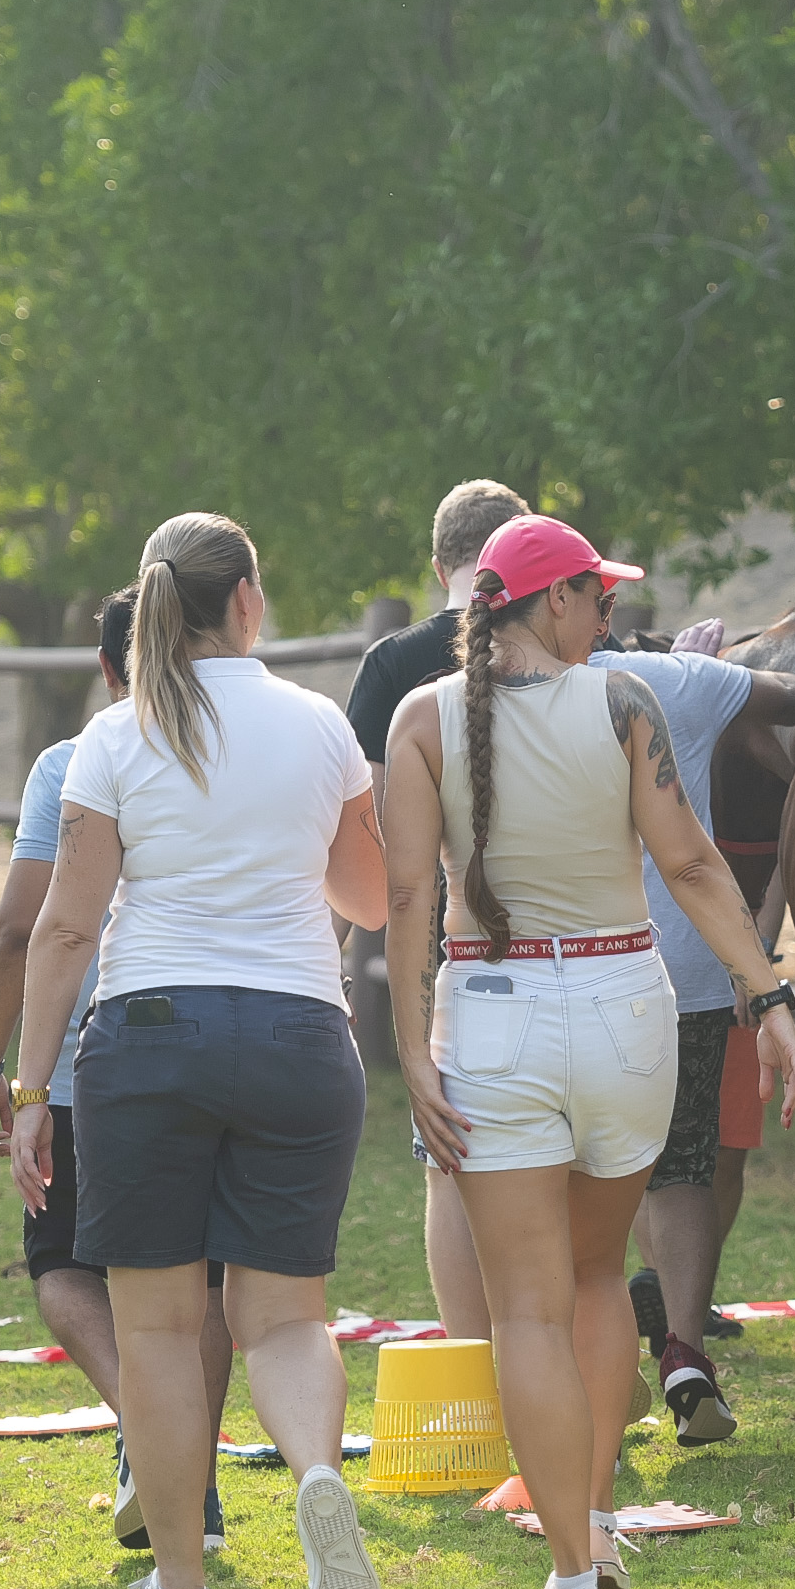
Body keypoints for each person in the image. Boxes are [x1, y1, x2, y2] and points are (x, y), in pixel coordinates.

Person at [380, 515, 795, 1589]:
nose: (607, 613)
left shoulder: (419, 717)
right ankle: (602, 1521)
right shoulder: (624, 705)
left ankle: (570, 1576)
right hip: (625, 1008)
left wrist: (407, 1045)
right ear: (548, 602)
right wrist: (765, 992)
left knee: (526, 1306)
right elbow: (693, 862)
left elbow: (407, 902)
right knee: (595, 1276)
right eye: (595, 594)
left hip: (494, 1013)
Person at [7, 513, 389, 1589]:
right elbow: (368, 897)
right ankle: (317, 1470)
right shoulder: (320, 724)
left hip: (149, 1035)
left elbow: (65, 929)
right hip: (298, 1033)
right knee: (281, 1315)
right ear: (248, 599)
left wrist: (32, 1091)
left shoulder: (112, 736)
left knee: (163, 1331)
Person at [0, 593, 235, 1558]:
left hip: (98, 1058)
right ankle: (187, 1475)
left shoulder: (75, 760)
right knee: (204, 1284)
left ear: (106, 666)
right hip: (240, 1041)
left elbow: (23, 930)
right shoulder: (258, 740)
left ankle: (151, 1438)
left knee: (63, 1265)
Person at [590, 599, 795, 1445]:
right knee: (682, 1168)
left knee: (579, 1173)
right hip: (681, 971)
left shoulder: (466, 700)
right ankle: (685, 1351)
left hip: (555, 979)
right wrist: (716, 676)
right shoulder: (671, 683)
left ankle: (599, 1361)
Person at [348, 479, 533, 1340]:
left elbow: (369, 832)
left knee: (448, 1161)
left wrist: (344, 957)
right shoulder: (564, 646)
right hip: (565, 936)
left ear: (439, 565)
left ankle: (472, 1359)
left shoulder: (393, 666)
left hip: (445, 950)